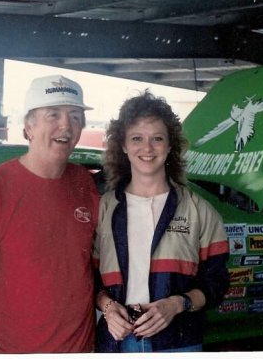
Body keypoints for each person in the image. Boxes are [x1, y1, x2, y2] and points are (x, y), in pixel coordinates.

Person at [0, 75, 100, 354]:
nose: (66, 125)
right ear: (28, 127)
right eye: (53, 115)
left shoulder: (84, 182)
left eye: (76, 116)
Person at [92, 90, 229, 353]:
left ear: (169, 146)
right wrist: (108, 309)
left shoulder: (200, 211)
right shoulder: (102, 209)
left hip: (179, 343)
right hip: (116, 343)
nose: (147, 148)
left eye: (157, 138)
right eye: (136, 138)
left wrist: (177, 304)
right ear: (123, 145)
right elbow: (88, 279)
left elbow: (217, 283)